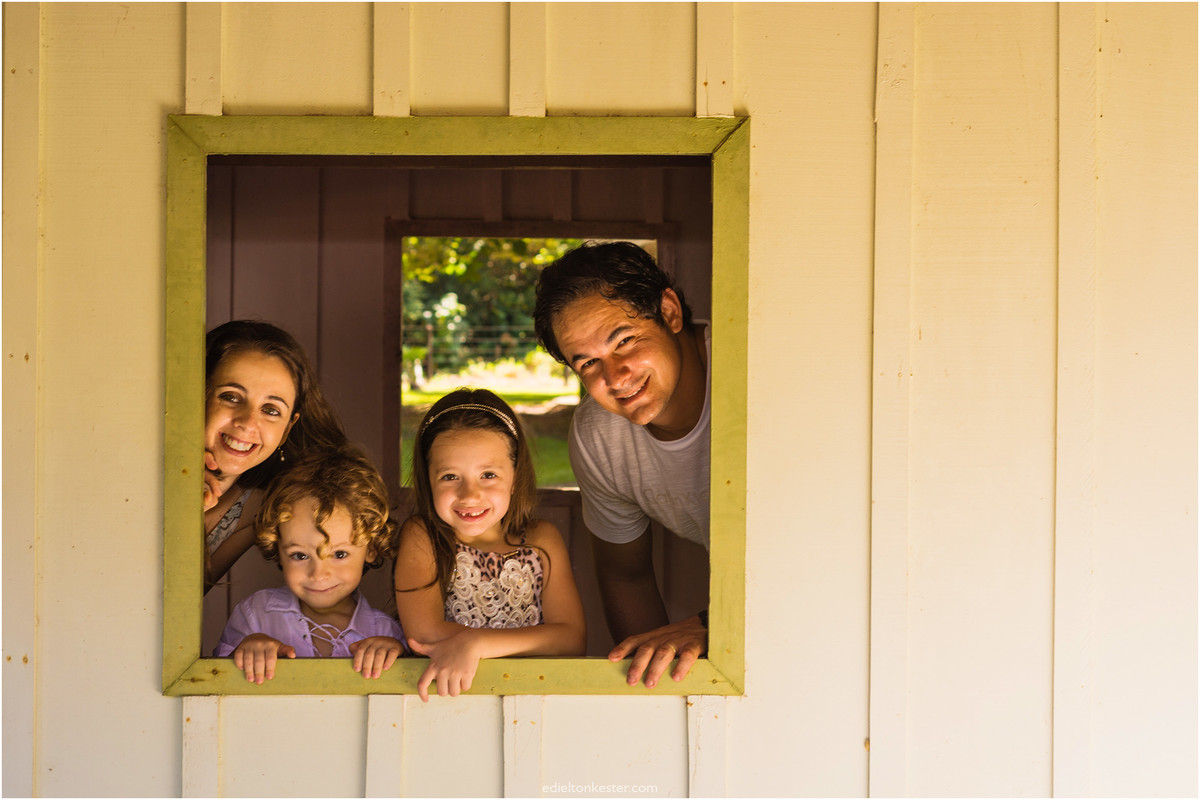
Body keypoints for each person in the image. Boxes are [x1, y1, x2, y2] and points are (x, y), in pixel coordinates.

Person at [532, 241, 710, 688]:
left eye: (624, 341)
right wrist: (656, 685)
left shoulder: (754, 375)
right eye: (589, 363)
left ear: (669, 312)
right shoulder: (600, 436)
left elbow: (821, 538)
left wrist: (711, 625)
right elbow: (625, 574)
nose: (614, 377)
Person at [394, 388, 586, 702]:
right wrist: (525, 641)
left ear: (515, 476)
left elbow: (571, 639)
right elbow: (424, 634)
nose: (469, 495)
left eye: (488, 474)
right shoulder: (423, 536)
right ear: (427, 479)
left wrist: (478, 644)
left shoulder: (541, 541)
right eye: (450, 476)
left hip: (531, 699)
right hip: (448, 699)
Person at [214, 445, 406, 684]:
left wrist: (398, 658)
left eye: (339, 554)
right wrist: (244, 652)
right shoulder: (254, 616)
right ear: (277, 548)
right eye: (300, 556)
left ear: (372, 548)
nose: (319, 574)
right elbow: (212, 681)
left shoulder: (386, 632)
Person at [203, 320, 348, 589]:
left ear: (287, 429)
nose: (248, 422)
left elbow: (185, 599)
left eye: (271, 410)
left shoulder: (253, 508)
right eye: (231, 397)